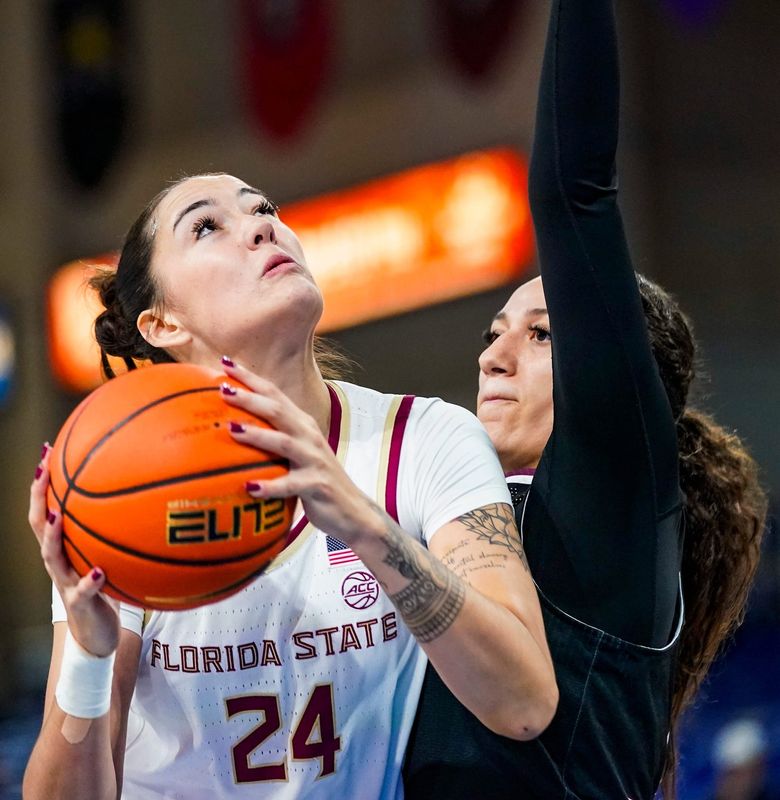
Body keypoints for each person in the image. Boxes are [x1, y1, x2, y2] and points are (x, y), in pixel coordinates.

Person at [23, 174, 557, 799]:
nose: (260, 225)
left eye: (264, 208)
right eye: (206, 227)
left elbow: (523, 704)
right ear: (162, 323)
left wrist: (365, 524)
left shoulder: (426, 439)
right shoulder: (117, 485)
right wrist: (89, 655)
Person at [403, 1, 768, 798]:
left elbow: (575, 191)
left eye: (539, 335)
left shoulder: (613, 499)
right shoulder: (450, 518)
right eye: (495, 330)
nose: (493, 354)